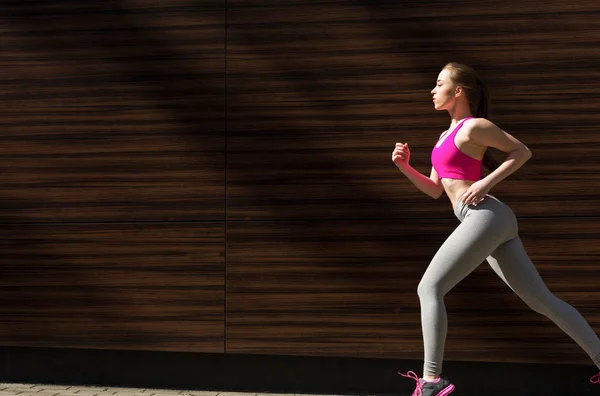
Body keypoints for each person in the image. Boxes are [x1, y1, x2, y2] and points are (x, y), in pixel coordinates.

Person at [391, 62, 600, 396]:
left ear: (458, 91)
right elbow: (434, 189)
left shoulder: (474, 127)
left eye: (439, 83)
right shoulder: (444, 136)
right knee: (541, 300)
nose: (433, 89)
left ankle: (431, 381)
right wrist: (403, 167)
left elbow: (521, 152)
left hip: (485, 215)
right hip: (483, 219)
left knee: (428, 287)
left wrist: (485, 182)